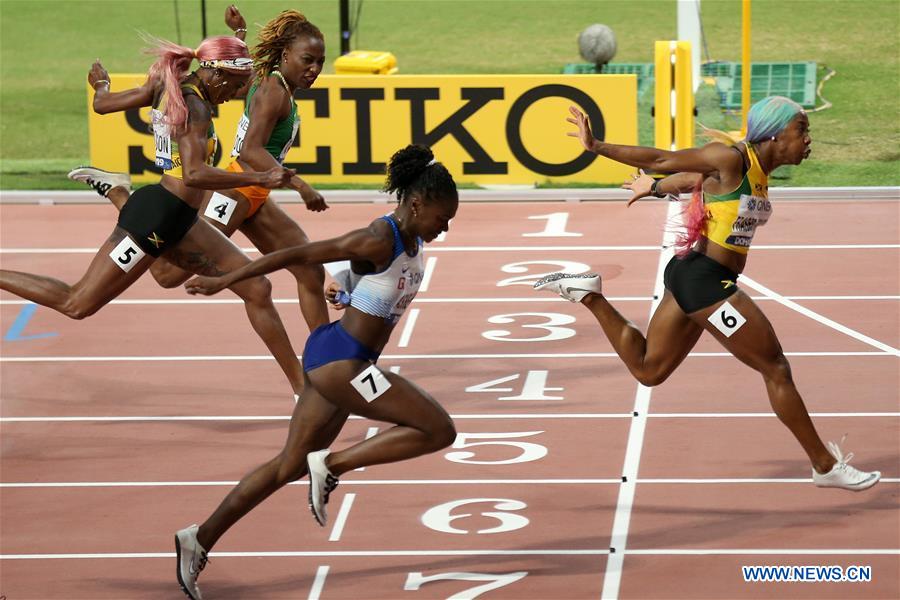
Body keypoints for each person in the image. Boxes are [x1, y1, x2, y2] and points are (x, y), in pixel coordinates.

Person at [534, 96, 880, 491]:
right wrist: (599, 148)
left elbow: (690, 180)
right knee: (775, 367)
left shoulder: (754, 170)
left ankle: (589, 294)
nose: (808, 139)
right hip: (706, 282)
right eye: (801, 130)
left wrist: (655, 188)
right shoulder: (731, 157)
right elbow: (667, 159)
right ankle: (824, 464)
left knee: (649, 370)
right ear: (774, 134)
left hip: (694, 276)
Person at [171, 144, 458, 600]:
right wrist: (224, 281)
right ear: (417, 203)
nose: (445, 228)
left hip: (340, 359)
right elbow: (300, 255)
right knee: (439, 429)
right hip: (341, 364)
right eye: (442, 218)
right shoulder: (378, 238)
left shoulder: (411, 239)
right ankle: (332, 464)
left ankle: (198, 538)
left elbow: (348, 273)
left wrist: (343, 287)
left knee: (286, 465)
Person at [0, 34, 308, 398]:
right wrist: (259, 176)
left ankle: (303, 390)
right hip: (156, 218)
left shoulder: (170, 84)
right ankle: (119, 195)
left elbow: (103, 104)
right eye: (236, 87)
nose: (236, 96)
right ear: (219, 76)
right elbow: (194, 174)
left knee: (256, 287)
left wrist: (101, 83)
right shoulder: (195, 109)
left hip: (182, 217)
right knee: (77, 302)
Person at [71, 7, 333, 333]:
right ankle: (123, 196)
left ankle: (329, 362)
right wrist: (301, 186)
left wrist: (238, 37)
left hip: (256, 193)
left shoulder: (261, 80)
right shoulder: (270, 91)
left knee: (309, 270)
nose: (315, 69)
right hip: (236, 192)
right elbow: (251, 149)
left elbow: (228, 69)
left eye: (320, 62)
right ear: (286, 55)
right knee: (167, 275)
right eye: (308, 60)